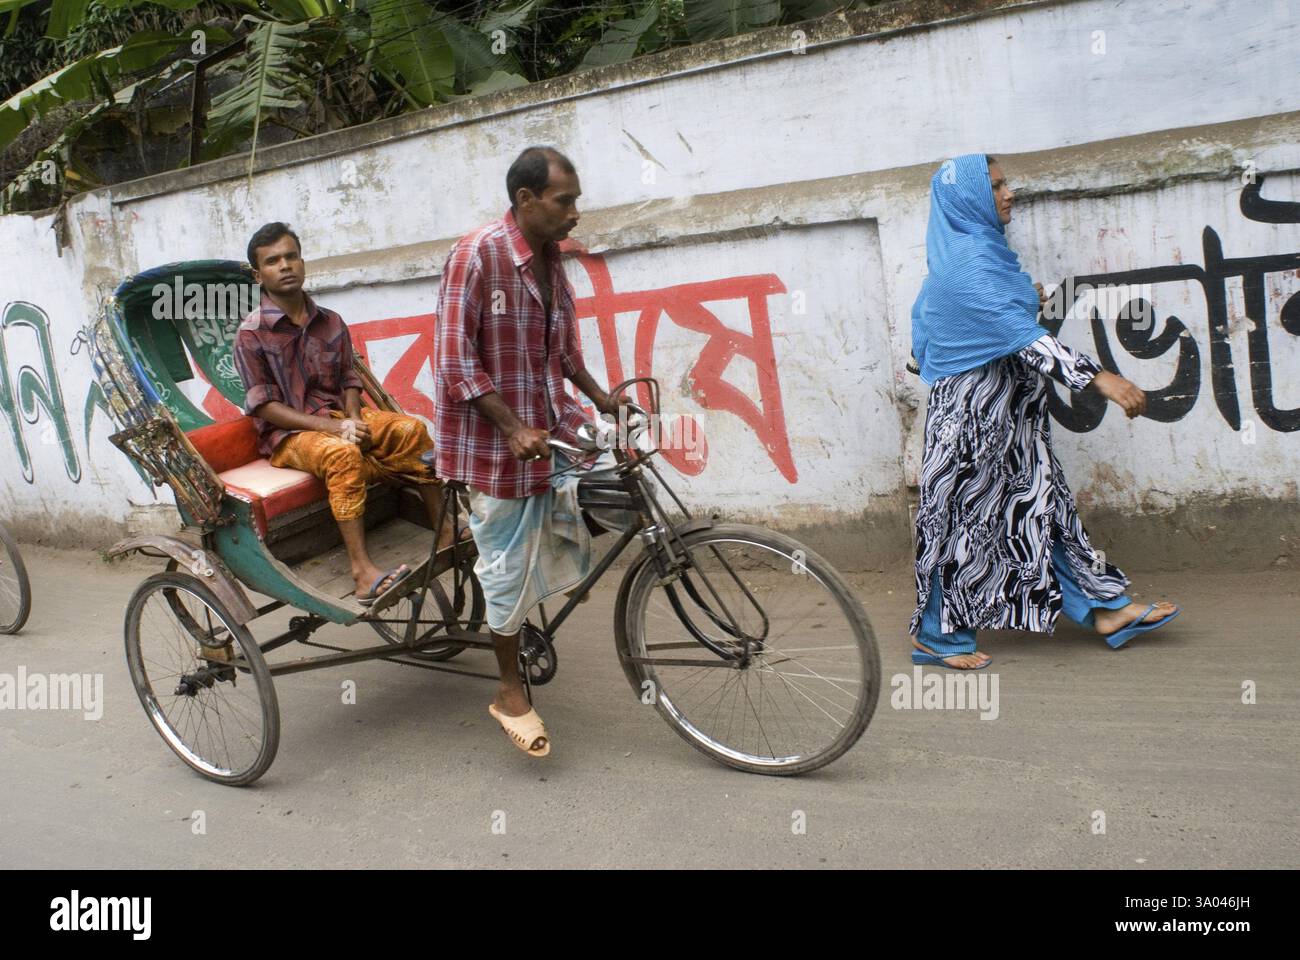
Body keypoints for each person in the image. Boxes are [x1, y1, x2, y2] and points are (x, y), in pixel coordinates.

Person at [908, 154, 1180, 670]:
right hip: (970, 419)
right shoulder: (965, 263)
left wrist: (1017, 307)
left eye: (1005, 183)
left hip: (1013, 415)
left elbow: (938, 325)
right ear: (967, 198)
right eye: (995, 186)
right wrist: (1099, 377)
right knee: (959, 520)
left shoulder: (981, 253)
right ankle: (936, 637)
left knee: (1041, 509)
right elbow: (1020, 336)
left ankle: (1104, 609)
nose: (1008, 193)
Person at [435, 146, 626, 757]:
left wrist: (602, 398)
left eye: (576, 202)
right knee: (506, 569)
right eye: (564, 201)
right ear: (526, 199)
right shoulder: (477, 254)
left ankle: (552, 568)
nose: (575, 213)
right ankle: (508, 689)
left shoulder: (551, 258)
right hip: (495, 444)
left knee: (612, 485)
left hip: (551, 423)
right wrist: (513, 427)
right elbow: (453, 361)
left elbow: (563, 350)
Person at [234, 222, 458, 606]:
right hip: (289, 436)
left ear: (302, 261)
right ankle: (361, 571)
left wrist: (353, 419)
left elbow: (348, 378)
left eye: (291, 256)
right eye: (273, 261)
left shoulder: (331, 321)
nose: (285, 266)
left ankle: (446, 530)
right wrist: (336, 430)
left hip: (339, 417)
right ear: (259, 275)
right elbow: (265, 406)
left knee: (410, 430)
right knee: (342, 454)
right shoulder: (251, 334)